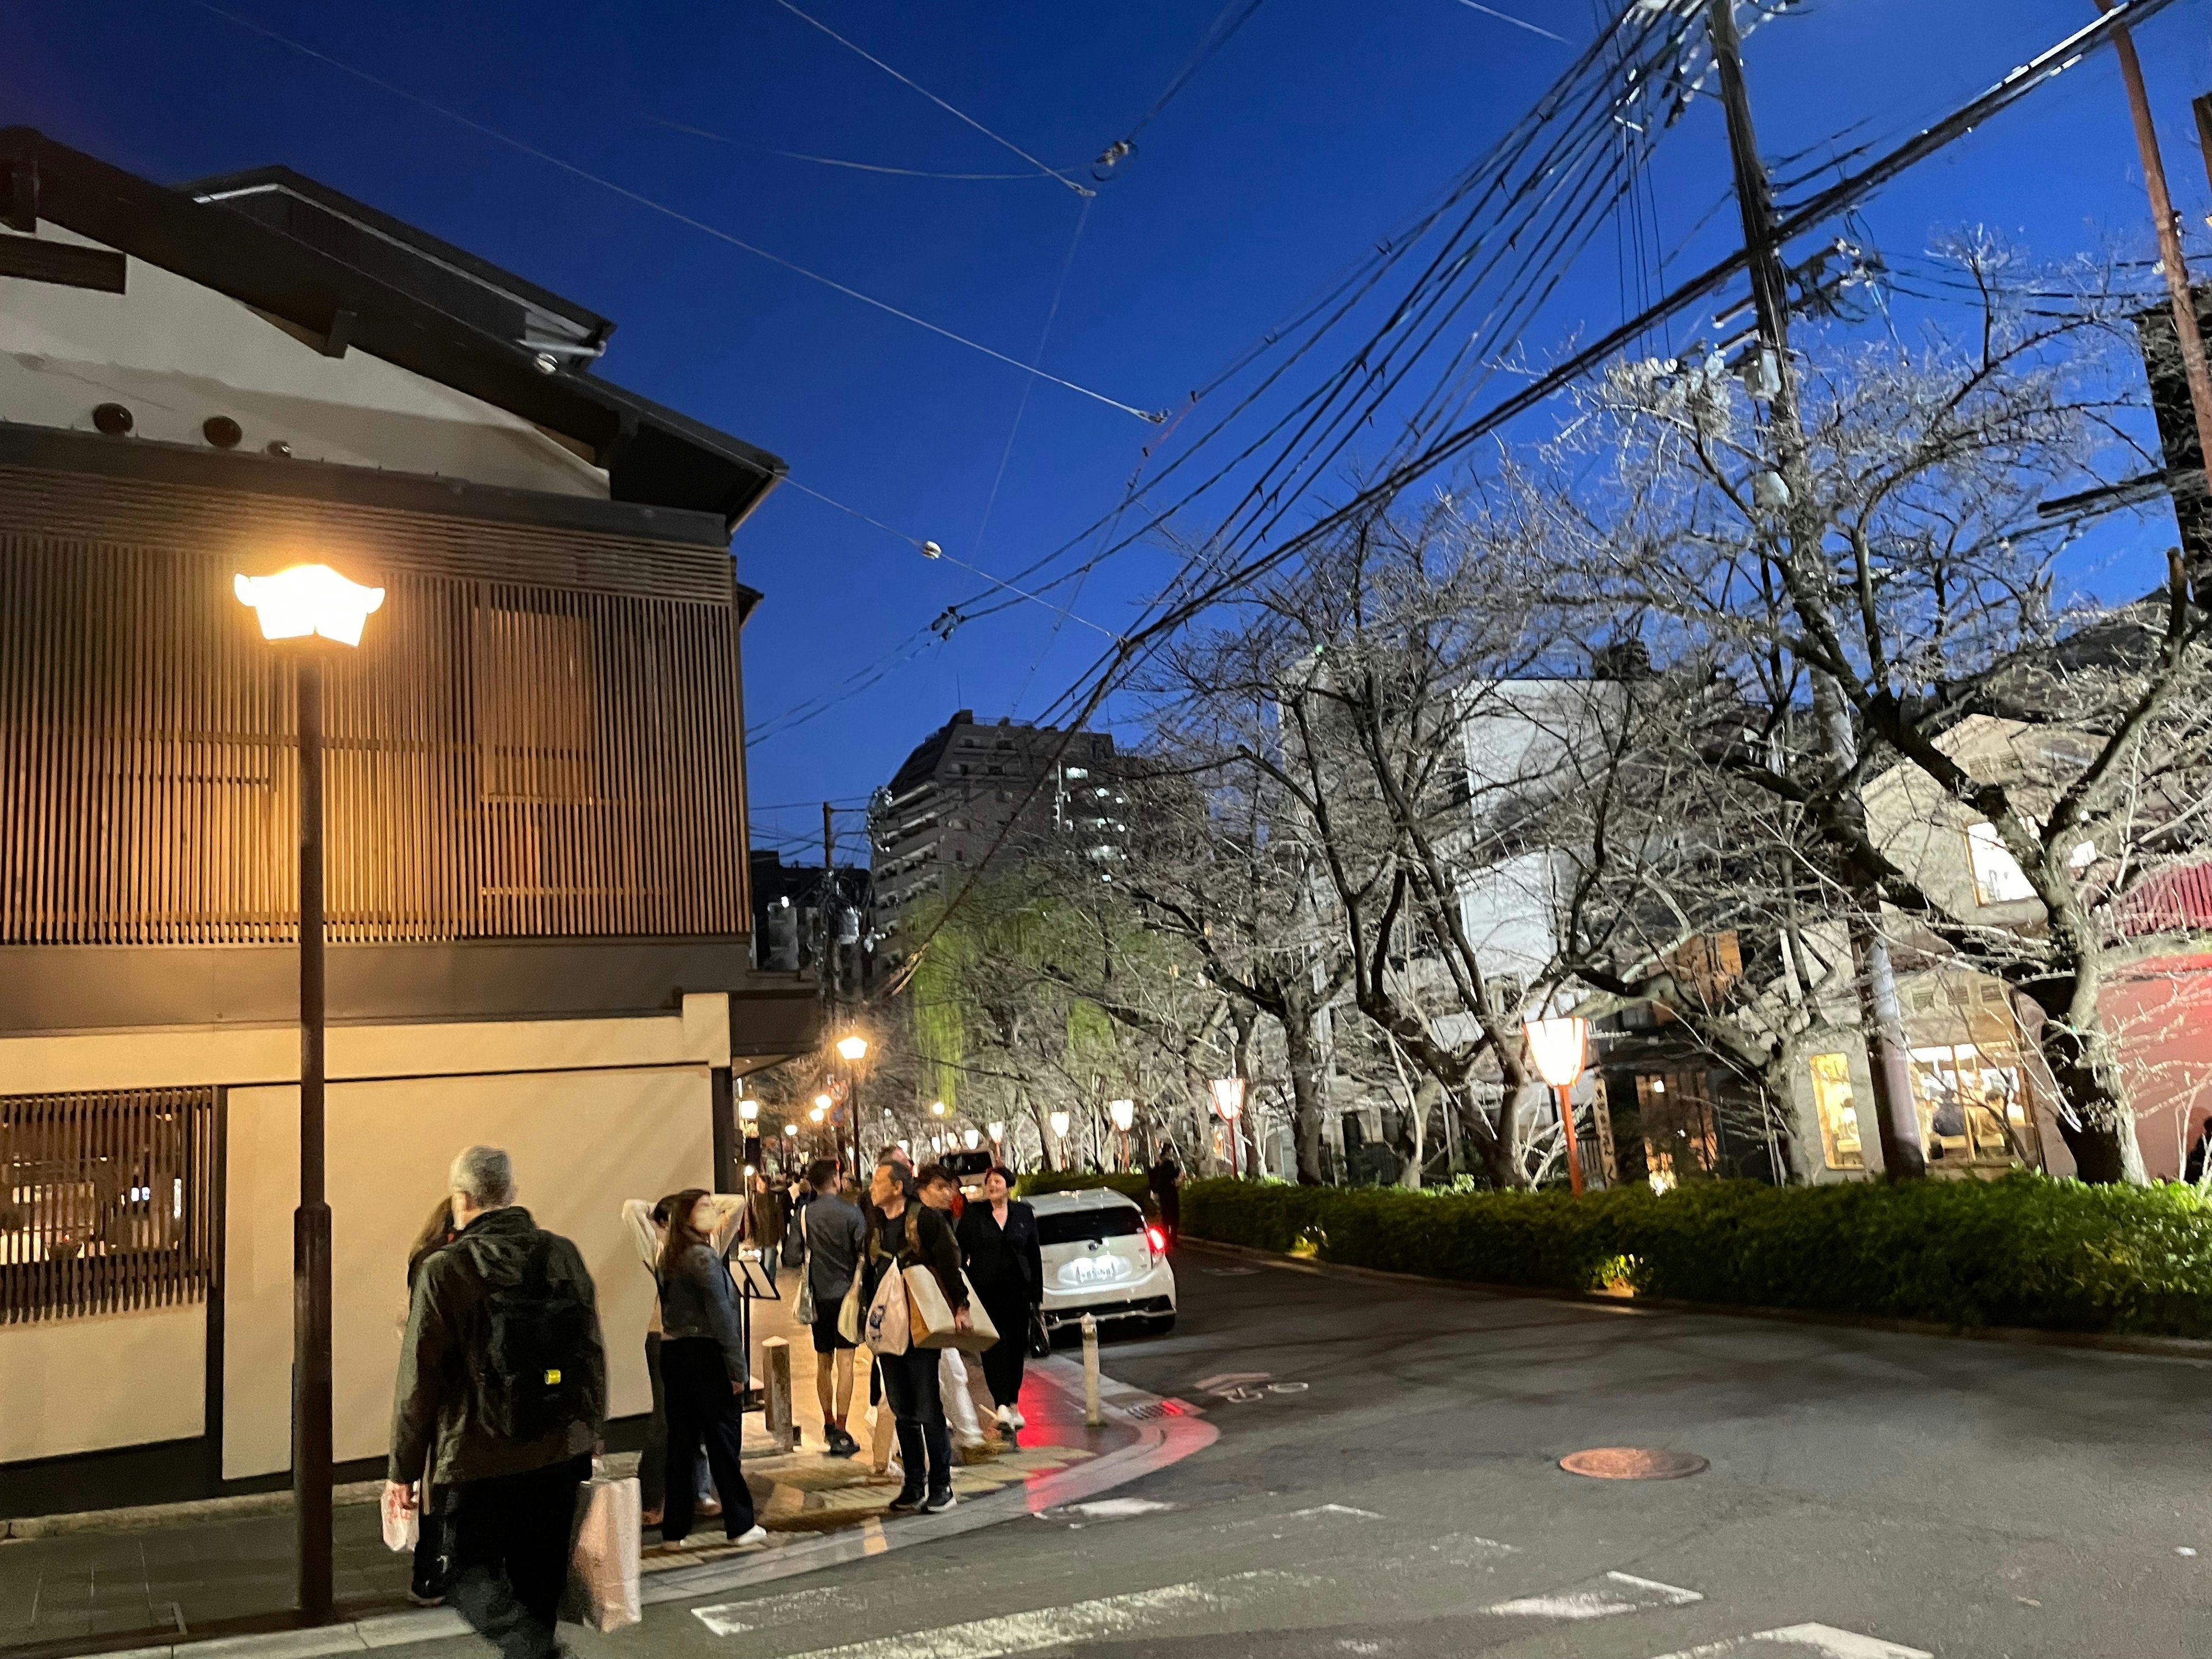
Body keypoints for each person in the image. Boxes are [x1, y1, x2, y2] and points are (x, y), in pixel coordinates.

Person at [388, 1147, 606, 1659]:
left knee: (466, 1572)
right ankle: (535, 1648)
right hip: (556, 1448)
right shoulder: (560, 1254)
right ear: (510, 1194)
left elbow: (419, 1378)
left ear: (461, 1197)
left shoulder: (444, 1269)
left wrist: (403, 1468)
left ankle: (538, 1654)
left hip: (476, 1456)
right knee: (538, 1582)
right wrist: (591, 1430)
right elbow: (589, 1351)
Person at [654, 1187, 770, 1551]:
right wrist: (738, 1369)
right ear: (686, 1216)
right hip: (706, 1355)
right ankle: (740, 1524)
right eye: (703, 1207)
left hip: (674, 1355)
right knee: (722, 1442)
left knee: (682, 1444)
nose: (713, 1211)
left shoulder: (668, 1256)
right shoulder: (702, 1257)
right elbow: (723, 1317)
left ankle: (675, 1530)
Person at [619, 1189, 743, 1527]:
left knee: (702, 1420)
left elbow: (737, 1203)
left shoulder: (711, 1245)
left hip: (706, 1343)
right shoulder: (660, 1249)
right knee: (665, 1422)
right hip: (665, 1340)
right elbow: (632, 1208)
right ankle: (653, 1498)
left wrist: (700, 1204)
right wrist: (664, 1211)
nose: (709, 1214)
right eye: (699, 1210)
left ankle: (699, 1492)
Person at [859, 1154, 969, 1513]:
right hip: (888, 1332)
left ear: (897, 1187)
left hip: (920, 1328)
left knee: (927, 1408)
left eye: (878, 1182)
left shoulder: (924, 1220)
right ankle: (913, 1485)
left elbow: (950, 1261)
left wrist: (961, 1306)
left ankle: (942, 1486)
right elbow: (869, 1277)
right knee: (901, 1408)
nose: (871, 1188)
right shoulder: (875, 1226)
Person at [787, 1158, 868, 1457]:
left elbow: (791, 1257)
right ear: (835, 1180)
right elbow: (864, 1252)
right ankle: (844, 1427)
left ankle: (828, 1424)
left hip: (818, 1296)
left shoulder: (805, 1214)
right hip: (847, 1296)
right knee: (846, 1362)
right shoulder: (852, 1212)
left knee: (824, 1361)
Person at [402, 1196, 459, 1606]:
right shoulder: (445, 1261)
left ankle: (430, 1573)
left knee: (439, 1478)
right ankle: (433, 1571)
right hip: (455, 1383)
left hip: (437, 1379)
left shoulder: (425, 1257)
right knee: (446, 1480)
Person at [957, 1165, 1043, 1437]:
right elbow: (960, 1252)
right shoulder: (975, 1214)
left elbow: (1033, 1252)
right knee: (994, 1347)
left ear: (1009, 1186)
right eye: (989, 1182)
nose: (992, 1186)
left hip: (1019, 1292)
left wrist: (1037, 1295)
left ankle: (1014, 1404)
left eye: (997, 1182)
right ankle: (1001, 1404)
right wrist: (965, 1288)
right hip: (986, 1293)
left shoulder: (1023, 1213)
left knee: (1017, 1349)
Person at [916, 1164, 988, 1452]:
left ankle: (969, 1434)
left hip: (925, 1307)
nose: (951, 1194)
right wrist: (961, 1305)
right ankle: (969, 1436)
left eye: (953, 1188)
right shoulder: (928, 1220)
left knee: (946, 1372)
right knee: (948, 1373)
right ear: (929, 1187)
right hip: (930, 1307)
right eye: (944, 1188)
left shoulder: (919, 1217)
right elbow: (949, 1266)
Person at [746, 1170, 786, 1283]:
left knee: (769, 1263)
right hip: (758, 1236)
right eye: (758, 1182)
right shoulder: (752, 1199)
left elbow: (779, 1217)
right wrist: (750, 1236)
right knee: (760, 1264)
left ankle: (769, 1286)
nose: (759, 1184)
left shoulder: (774, 1198)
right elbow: (749, 1219)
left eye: (762, 1182)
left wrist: (782, 1235)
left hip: (771, 1236)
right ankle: (762, 1286)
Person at [1147, 1150, 1183, 1244]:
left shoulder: (1160, 1168)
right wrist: (1178, 1169)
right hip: (1171, 1195)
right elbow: (1173, 1174)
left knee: (1166, 1219)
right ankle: (1172, 1240)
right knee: (1173, 1218)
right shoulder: (1168, 1165)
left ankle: (1168, 1239)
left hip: (1164, 1196)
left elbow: (1152, 1174)